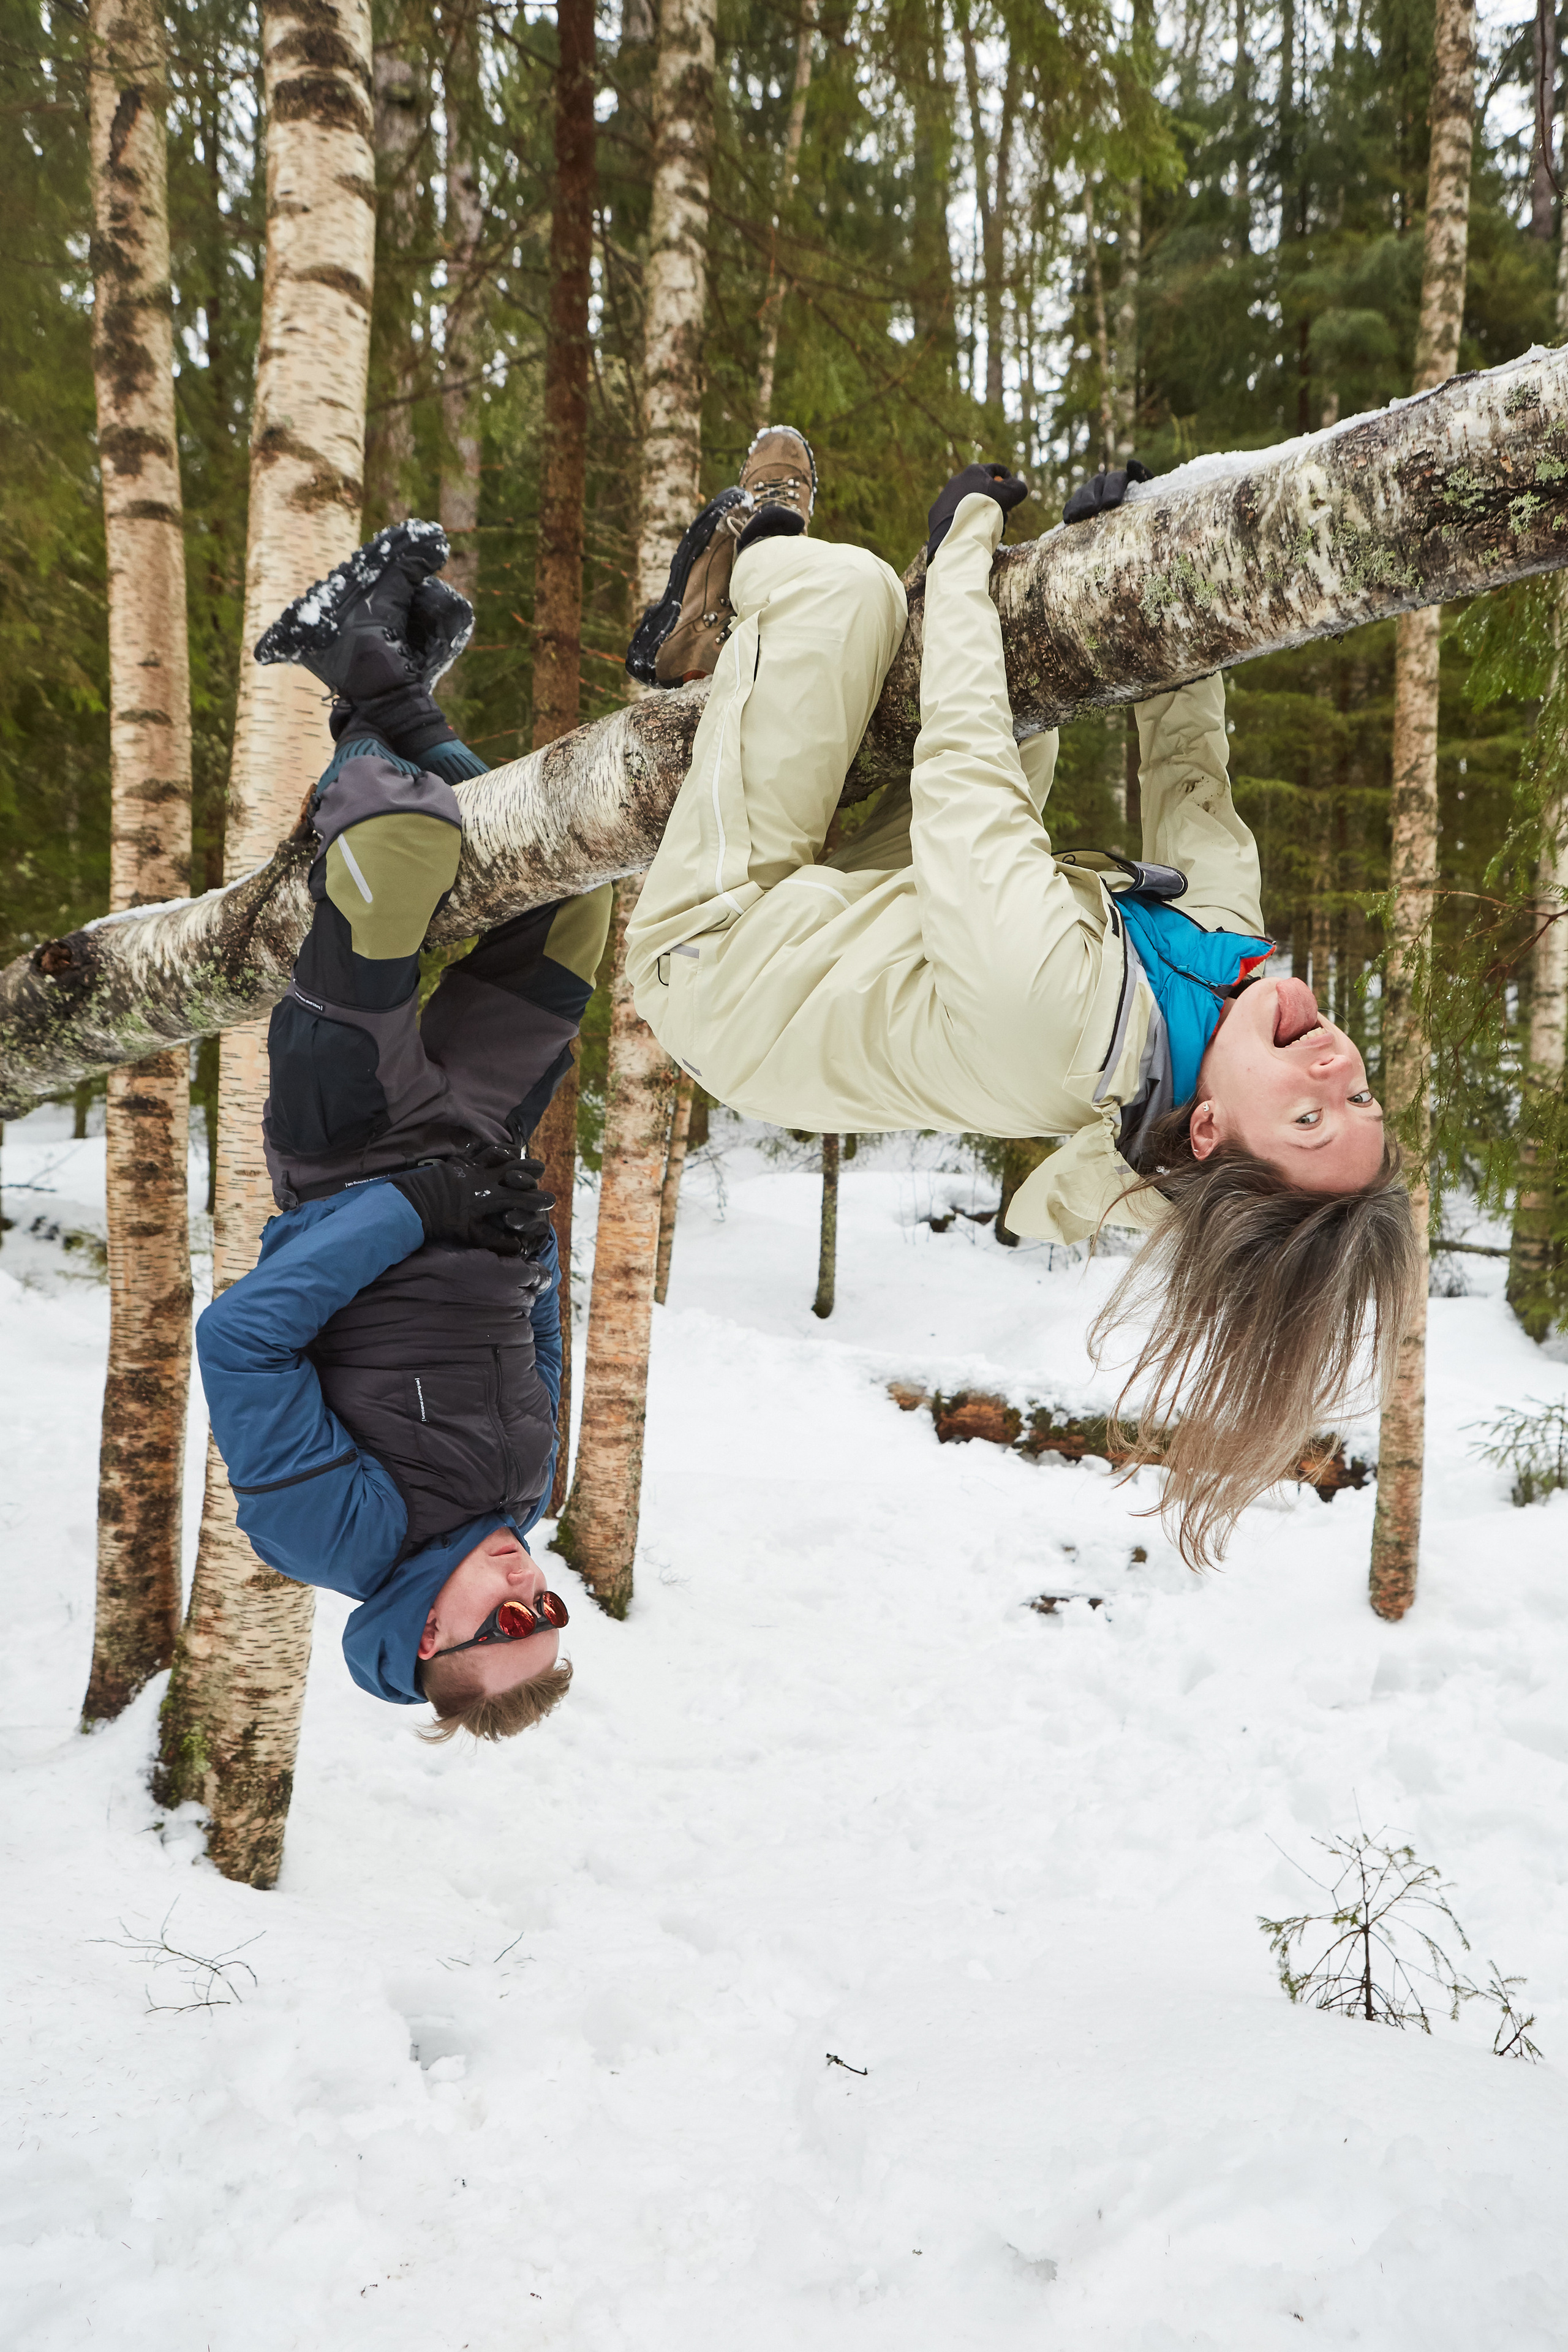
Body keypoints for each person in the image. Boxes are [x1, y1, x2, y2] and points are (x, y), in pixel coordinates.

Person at [625, 433, 1423, 1566]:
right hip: (863, 916)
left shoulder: (1065, 1029)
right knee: (1030, 721)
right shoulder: (1228, 963)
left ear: (1207, 1130)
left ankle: (739, 573)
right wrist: (1141, 555)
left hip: (720, 959)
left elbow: (963, 769)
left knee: (848, 600)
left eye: (1309, 1118)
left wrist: (964, 550)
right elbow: (1192, 775)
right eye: (1359, 1100)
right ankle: (787, 659)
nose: (1337, 1071)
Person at [195, 522, 612, 1739]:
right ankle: (372, 669)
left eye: (510, 1628)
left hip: (350, 1150)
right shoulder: (526, 1496)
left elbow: (243, 1343)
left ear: (429, 1634)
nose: (534, 1597)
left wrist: (410, 1208)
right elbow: (536, 1331)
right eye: (552, 1621)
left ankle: (367, 689)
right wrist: (516, 1233)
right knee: (568, 905)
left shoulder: (328, 1536)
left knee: (399, 849)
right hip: (477, 1151)